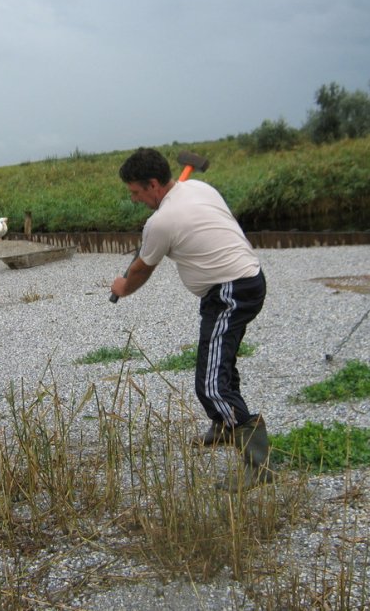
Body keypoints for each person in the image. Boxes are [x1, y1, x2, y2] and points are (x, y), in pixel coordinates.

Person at [110, 147, 272, 491]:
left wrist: (122, 286)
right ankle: (224, 426)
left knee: (211, 385)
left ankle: (258, 463)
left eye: (137, 192)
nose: (136, 199)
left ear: (153, 184)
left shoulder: (161, 221)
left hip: (230, 292)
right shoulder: (199, 188)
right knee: (219, 362)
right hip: (245, 281)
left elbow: (140, 269)